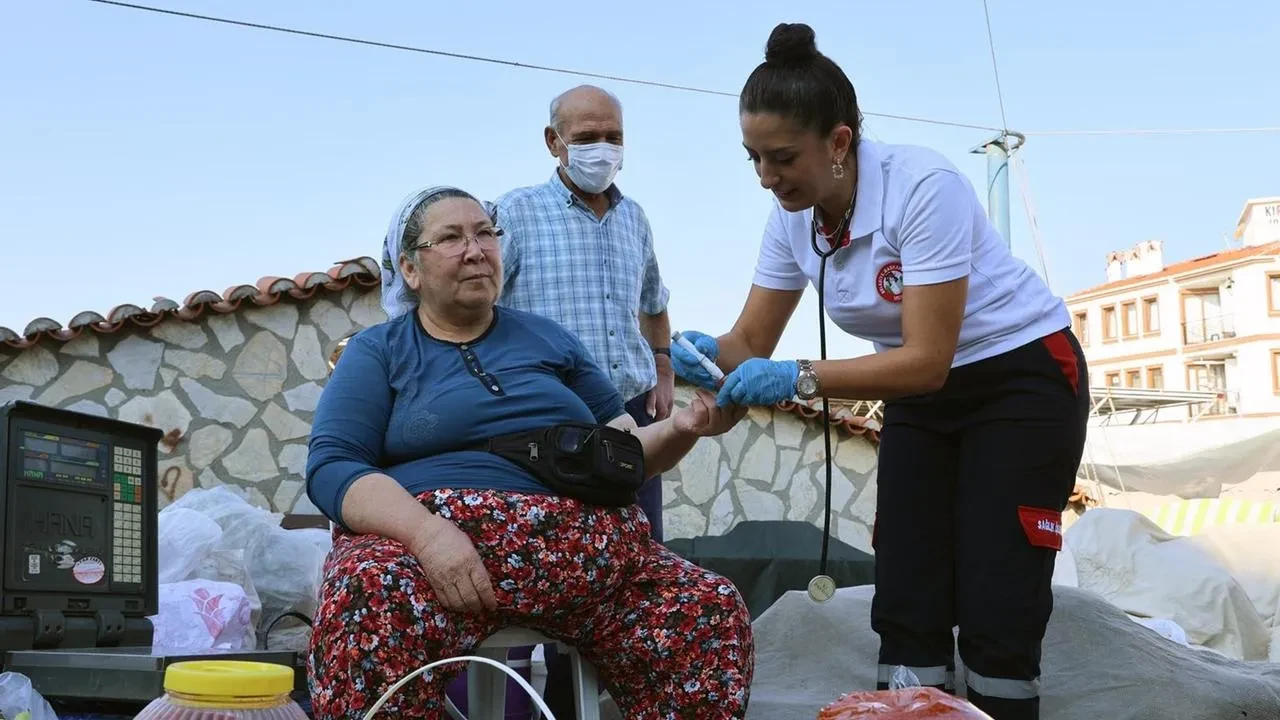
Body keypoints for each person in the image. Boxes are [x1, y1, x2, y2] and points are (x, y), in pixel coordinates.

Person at [670, 23, 1089, 720]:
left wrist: (797, 377)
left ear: (838, 143)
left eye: (782, 157)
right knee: (907, 586)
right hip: (920, 391)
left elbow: (926, 360)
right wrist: (704, 357)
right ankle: (910, 709)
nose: (767, 178)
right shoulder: (792, 220)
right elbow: (749, 339)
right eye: (753, 159)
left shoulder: (923, 186)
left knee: (996, 595)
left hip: (1019, 377)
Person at [306, 185, 754, 719]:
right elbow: (334, 465)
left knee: (709, 607)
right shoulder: (378, 352)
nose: (476, 249)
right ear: (410, 268)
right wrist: (428, 535)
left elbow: (623, 454)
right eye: (451, 237)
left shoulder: (550, 340)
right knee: (366, 597)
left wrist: (685, 426)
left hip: (588, 562)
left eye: (485, 233)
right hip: (435, 561)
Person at [492, 85, 674, 543]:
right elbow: (478, 308)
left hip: (632, 417)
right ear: (554, 142)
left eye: (614, 137)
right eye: (588, 137)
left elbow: (654, 303)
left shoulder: (635, 218)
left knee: (640, 552)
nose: (604, 149)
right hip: (549, 418)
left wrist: (664, 364)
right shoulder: (515, 213)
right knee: (561, 555)